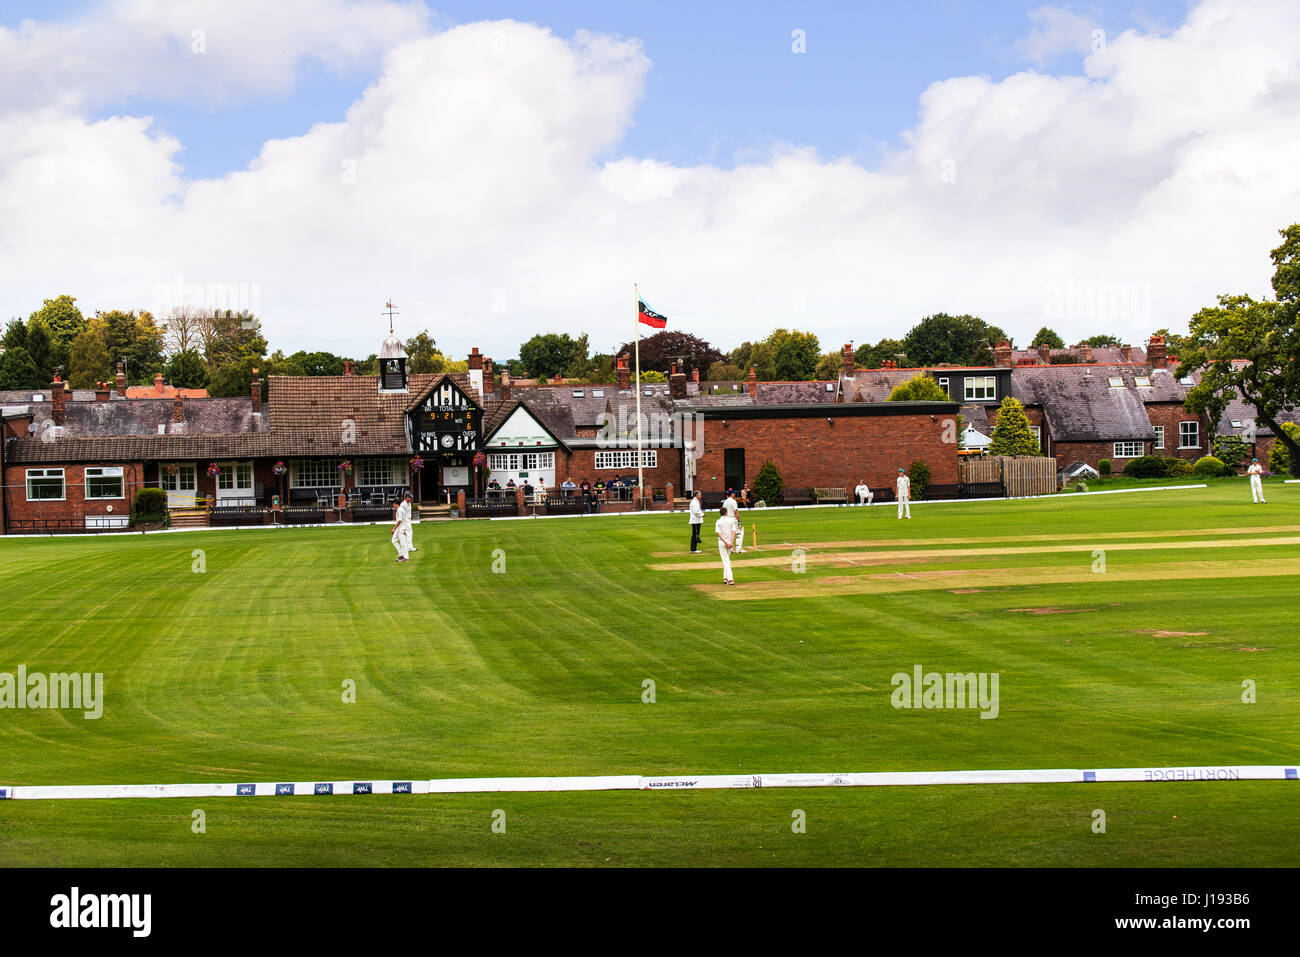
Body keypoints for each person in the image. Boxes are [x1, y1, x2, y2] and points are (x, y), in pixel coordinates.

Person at [715, 505, 737, 585]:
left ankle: (729, 579)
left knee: (726, 560)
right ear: (726, 513)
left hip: (722, 542)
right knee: (727, 560)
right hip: (728, 542)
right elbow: (734, 531)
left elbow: (719, 534)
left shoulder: (718, 521)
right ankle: (727, 578)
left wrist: (728, 543)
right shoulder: (731, 520)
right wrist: (730, 542)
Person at [392, 491, 413, 562]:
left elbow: (399, 520)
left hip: (401, 528)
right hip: (400, 527)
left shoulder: (400, 510)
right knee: (394, 540)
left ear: (396, 504)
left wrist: (394, 528)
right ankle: (401, 554)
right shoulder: (399, 509)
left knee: (402, 543)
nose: (393, 506)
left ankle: (406, 557)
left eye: (394, 505)